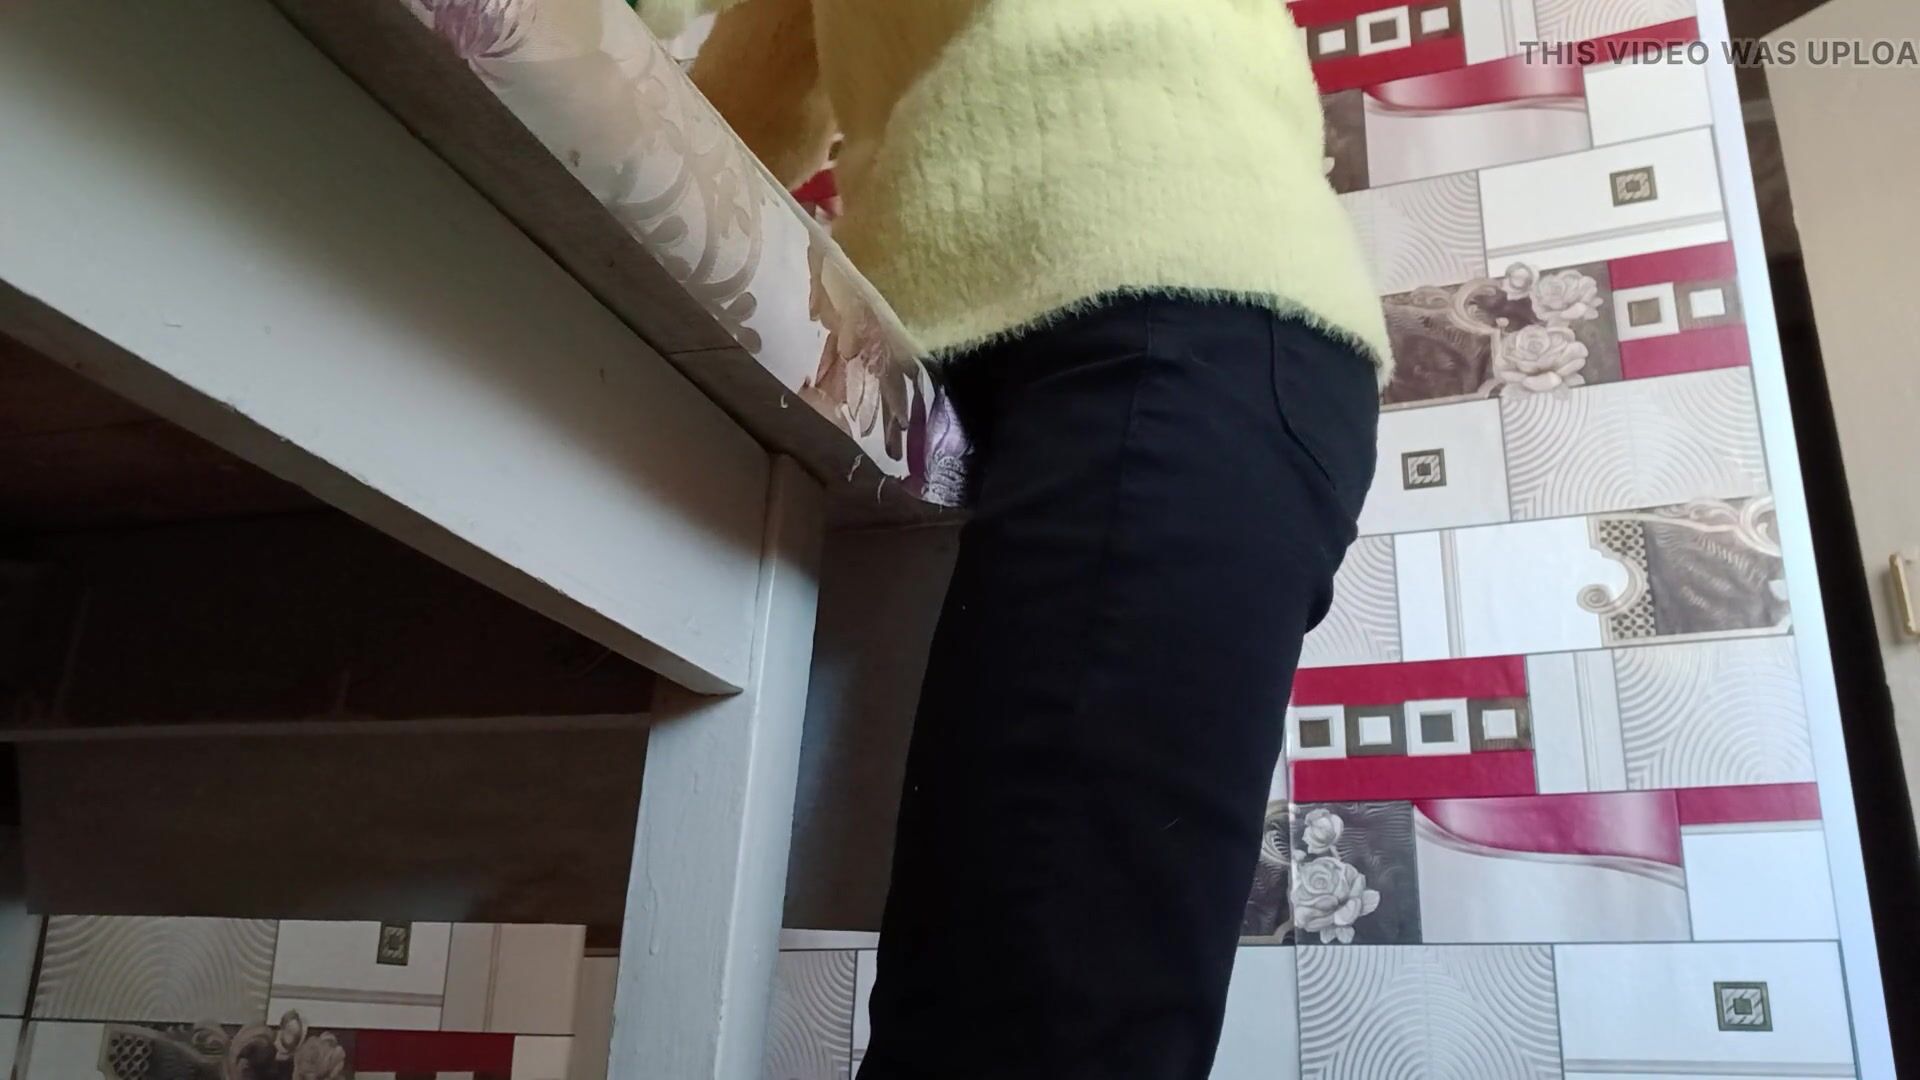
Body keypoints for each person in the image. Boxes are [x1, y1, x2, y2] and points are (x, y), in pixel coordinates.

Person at [637, 1, 1391, 1076]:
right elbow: (721, 121)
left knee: (1036, 1022)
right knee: (996, 995)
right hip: (938, 386)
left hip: (1180, 307)